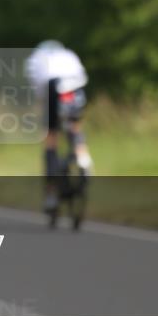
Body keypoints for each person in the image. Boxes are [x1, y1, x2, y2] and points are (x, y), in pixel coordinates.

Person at [25, 40, 92, 212]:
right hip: (75, 87)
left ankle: (52, 192)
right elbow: (83, 76)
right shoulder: (70, 55)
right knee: (75, 127)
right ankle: (84, 160)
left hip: (53, 87)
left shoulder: (36, 58)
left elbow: (39, 92)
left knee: (51, 136)